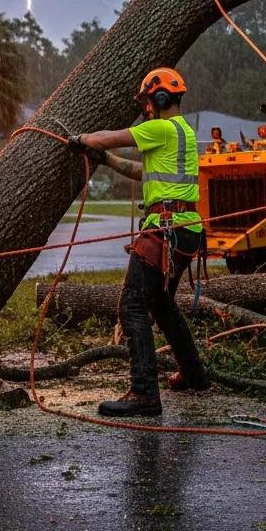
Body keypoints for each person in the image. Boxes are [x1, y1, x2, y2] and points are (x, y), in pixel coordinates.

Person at [72, 67, 209, 417]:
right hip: (185, 228)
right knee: (162, 305)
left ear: (160, 98)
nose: (147, 108)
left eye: (149, 102)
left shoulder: (160, 127)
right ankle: (194, 375)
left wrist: (83, 140)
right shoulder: (182, 133)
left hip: (165, 230)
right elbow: (140, 171)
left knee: (132, 305)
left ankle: (145, 393)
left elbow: (110, 137)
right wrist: (105, 161)